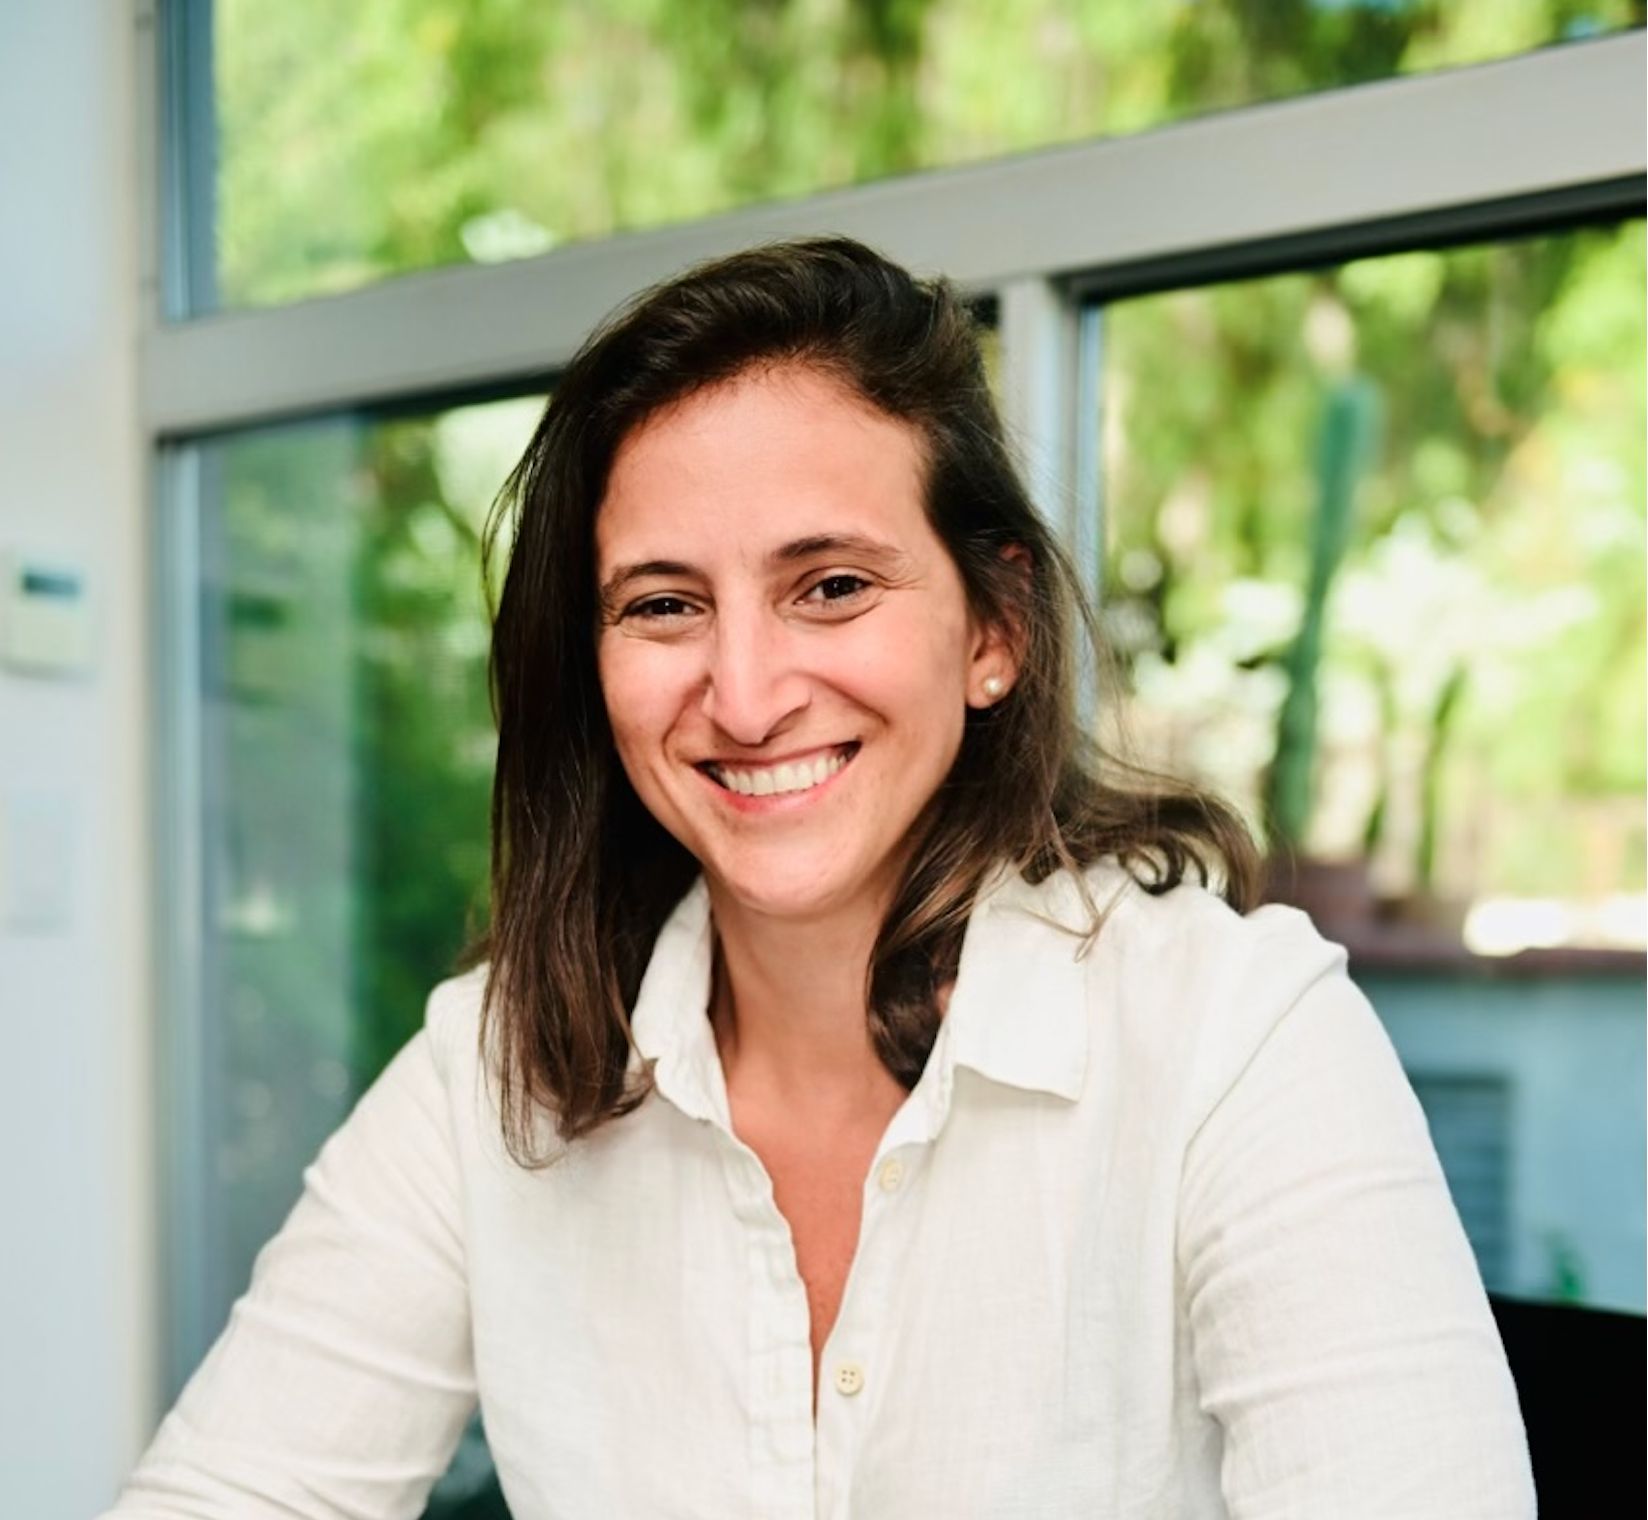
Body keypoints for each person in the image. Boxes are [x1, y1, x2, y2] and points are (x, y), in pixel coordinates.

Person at [104, 237, 1533, 1518]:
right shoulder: (497, 1073)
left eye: (830, 586)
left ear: (995, 629)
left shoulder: (1233, 1036)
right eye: (664, 605)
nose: (742, 692)